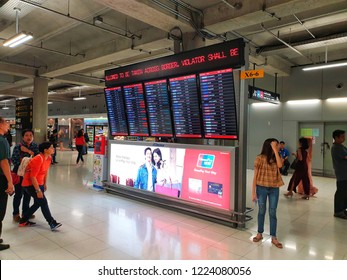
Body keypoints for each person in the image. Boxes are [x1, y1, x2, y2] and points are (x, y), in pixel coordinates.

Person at [18, 142, 62, 230]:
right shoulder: (38, 159)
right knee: (43, 202)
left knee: (38, 203)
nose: (53, 149)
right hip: (30, 184)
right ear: (45, 150)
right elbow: (32, 177)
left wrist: (44, 184)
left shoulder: (48, 158)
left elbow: (45, 172)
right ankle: (51, 222)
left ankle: (23, 220)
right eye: (51, 147)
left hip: (39, 183)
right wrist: (38, 190)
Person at [252, 138, 284, 249]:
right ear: (269, 146)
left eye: (278, 145)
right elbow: (255, 176)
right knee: (261, 211)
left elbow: (280, 166)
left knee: (272, 212)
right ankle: (259, 233)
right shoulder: (259, 158)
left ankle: (274, 237)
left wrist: (275, 150)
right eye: (276, 144)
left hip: (274, 188)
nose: (279, 146)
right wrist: (253, 193)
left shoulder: (276, 158)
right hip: (261, 188)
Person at [11, 129, 40, 222]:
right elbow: (14, 160)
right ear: (23, 137)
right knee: (19, 194)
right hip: (20, 174)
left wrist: (28, 152)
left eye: (31, 135)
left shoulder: (35, 146)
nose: (29, 137)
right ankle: (15, 213)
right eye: (26, 135)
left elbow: (38, 158)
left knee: (28, 194)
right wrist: (24, 162)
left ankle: (26, 212)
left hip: (30, 175)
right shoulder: (18, 147)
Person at [0, 117, 14, 250]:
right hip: (0, 178)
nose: (8, 126)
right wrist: (10, 182)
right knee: (0, 211)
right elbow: (4, 162)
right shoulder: (2, 140)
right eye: (6, 123)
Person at [331, 129, 347, 219]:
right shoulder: (336, 147)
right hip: (342, 174)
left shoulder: (341, 146)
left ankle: (342, 209)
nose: (344, 138)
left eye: (344, 136)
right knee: (341, 193)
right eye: (342, 136)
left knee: (345, 192)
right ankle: (338, 211)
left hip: (345, 174)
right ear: (336, 137)